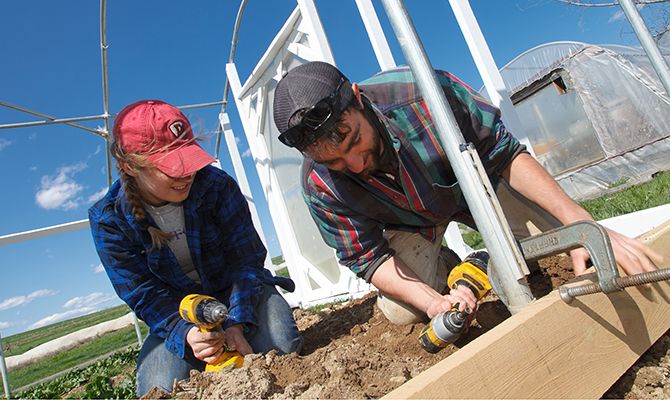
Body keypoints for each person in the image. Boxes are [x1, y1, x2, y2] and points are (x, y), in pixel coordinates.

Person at [272, 61, 663, 325]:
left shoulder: (425, 94)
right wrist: (432, 302)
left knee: (574, 241)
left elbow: (505, 154)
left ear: (358, 99)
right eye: (338, 162)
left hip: (482, 187)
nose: (356, 165)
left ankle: (504, 244)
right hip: (411, 226)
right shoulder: (319, 186)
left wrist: (577, 221)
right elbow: (368, 258)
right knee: (401, 313)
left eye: (355, 141)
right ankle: (450, 262)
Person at [89, 100, 303, 396]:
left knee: (280, 345)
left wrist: (237, 323)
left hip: (236, 292)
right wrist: (187, 334)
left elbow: (247, 260)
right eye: (171, 167)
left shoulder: (215, 186)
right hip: (179, 314)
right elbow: (142, 294)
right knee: (159, 388)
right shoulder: (108, 220)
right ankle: (201, 356)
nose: (186, 174)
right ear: (130, 167)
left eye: (188, 160)